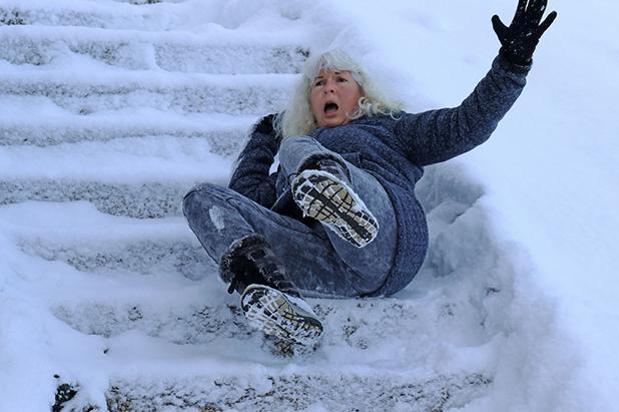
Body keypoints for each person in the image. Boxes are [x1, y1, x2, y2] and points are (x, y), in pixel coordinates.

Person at [182, 0, 557, 348]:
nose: (328, 86)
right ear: (308, 100)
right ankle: (273, 291)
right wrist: (263, 140)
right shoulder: (295, 152)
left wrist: (511, 65)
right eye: (319, 83)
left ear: (362, 91)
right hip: (325, 267)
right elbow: (244, 201)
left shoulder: (392, 128)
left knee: (300, 148)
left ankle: (335, 195)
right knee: (201, 198)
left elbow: (466, 125)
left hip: (385, 244)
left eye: (340, 80)